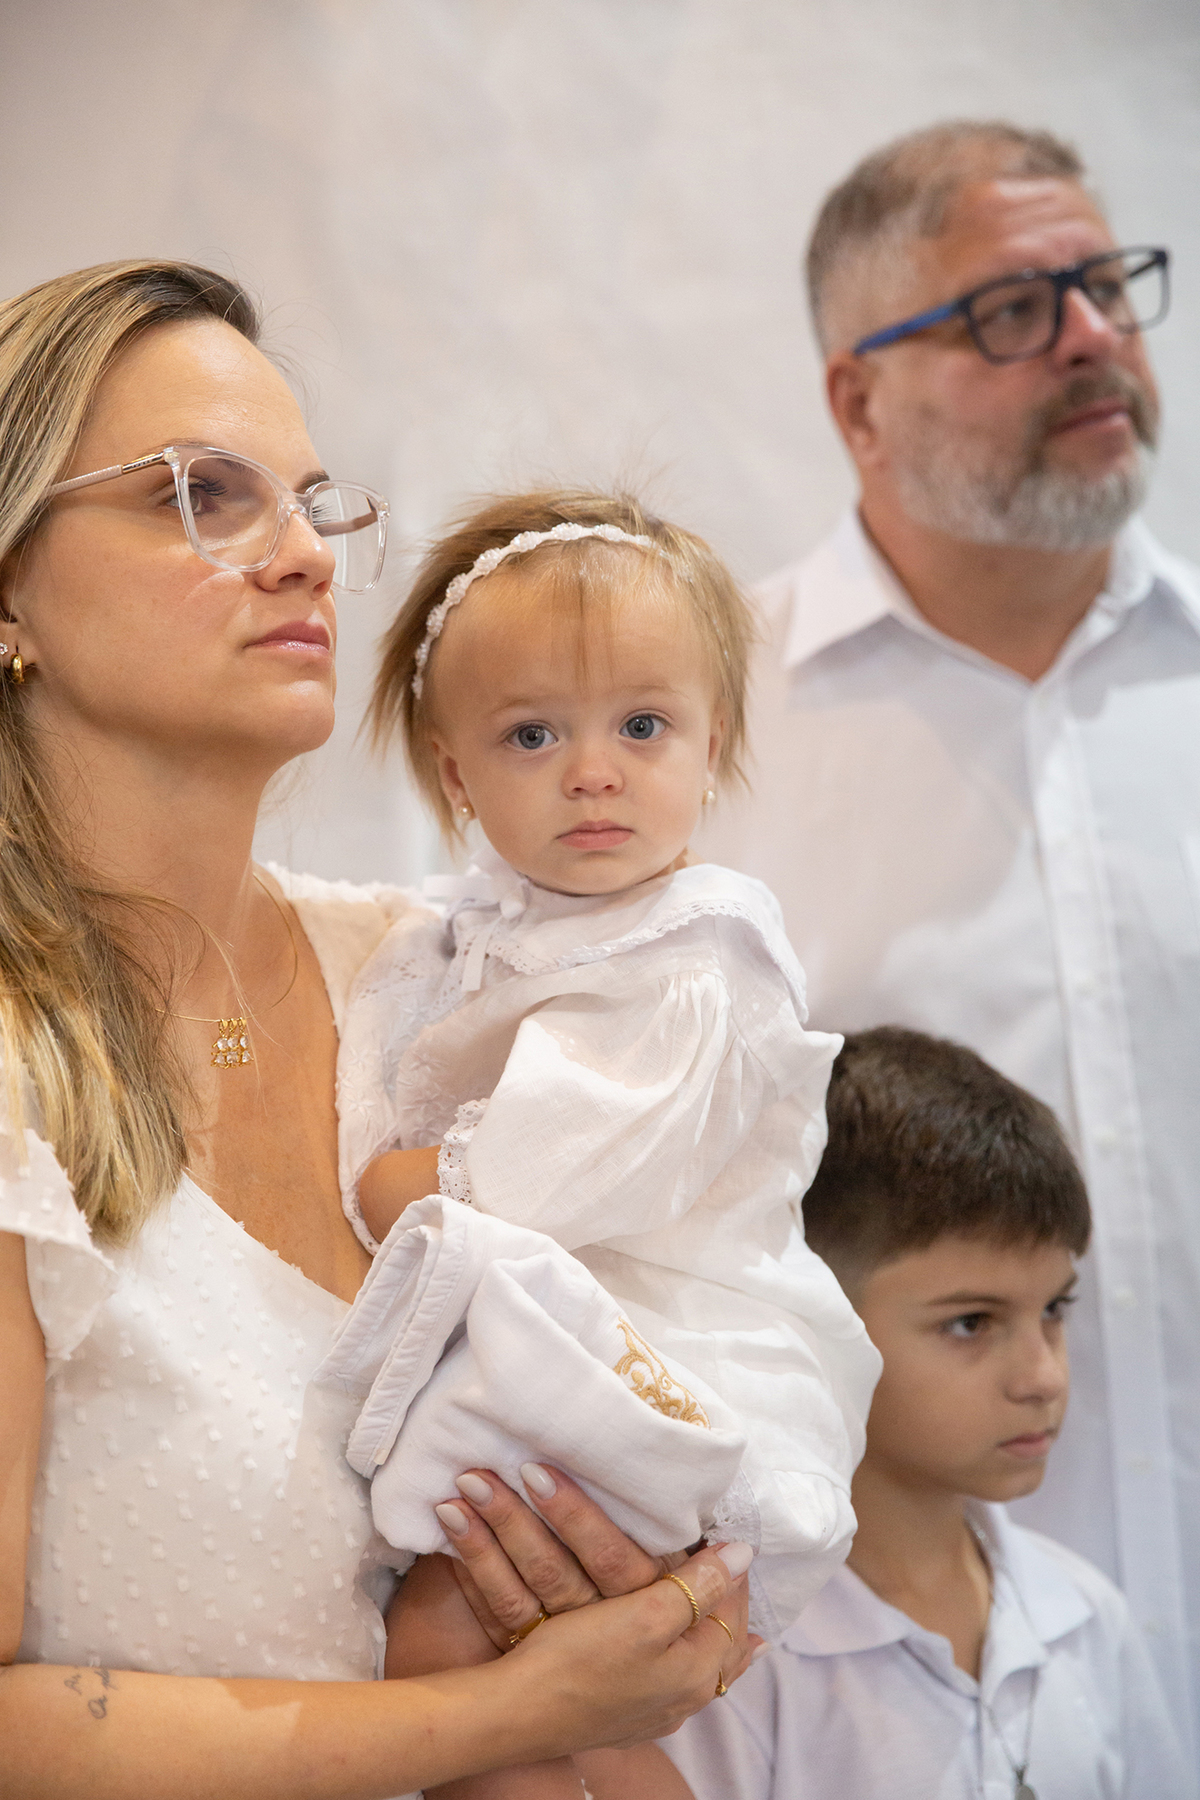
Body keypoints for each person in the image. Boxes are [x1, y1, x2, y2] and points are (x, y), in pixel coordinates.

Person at [0, 259, 756, 1800]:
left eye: (315, 502)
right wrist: (503, 1715)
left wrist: (665, 1589)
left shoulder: (440, 977)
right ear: (10, 591)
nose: (302, 557)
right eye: (198, 494)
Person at [696, 118, 1200, 1753]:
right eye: (1011, 309)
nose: (1092, 338)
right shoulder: (700, 741)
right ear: (857, 398)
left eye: (1110, 285)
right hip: (881, 1705)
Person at [328, 491, 880, 1667]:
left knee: (450, 1643)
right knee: (453, 1639)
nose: (593, 774)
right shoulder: (473, 924)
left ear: (713, 739)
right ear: (457, 775)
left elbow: (549, 1170)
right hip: (548, 1355)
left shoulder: (697, 954)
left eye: (642, 726)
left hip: (681, 1362)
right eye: (533, 736)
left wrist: (391, 1187)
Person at [661, 1027, 1191, 1798]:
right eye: (971, 1322)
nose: (1043, 1376)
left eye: (1055, 1309)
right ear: (811, 1319)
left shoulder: (1083, 1616)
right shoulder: (728, 1660)